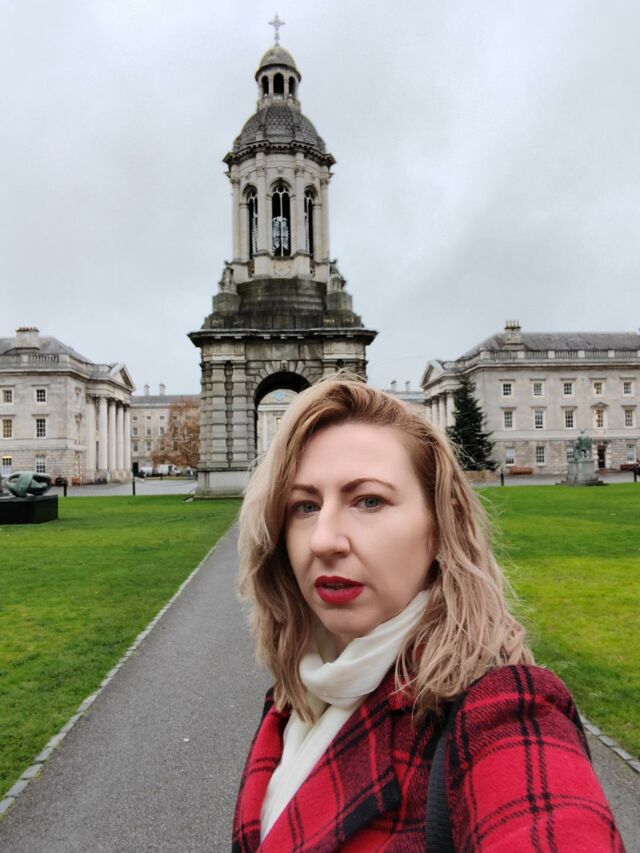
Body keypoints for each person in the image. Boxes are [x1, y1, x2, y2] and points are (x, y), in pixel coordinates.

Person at [233, 377, 623, 851]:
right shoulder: (293, 698)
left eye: (369, 501)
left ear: (441, 524)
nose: (324, 540)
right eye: (305, 506)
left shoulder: (504, 714)